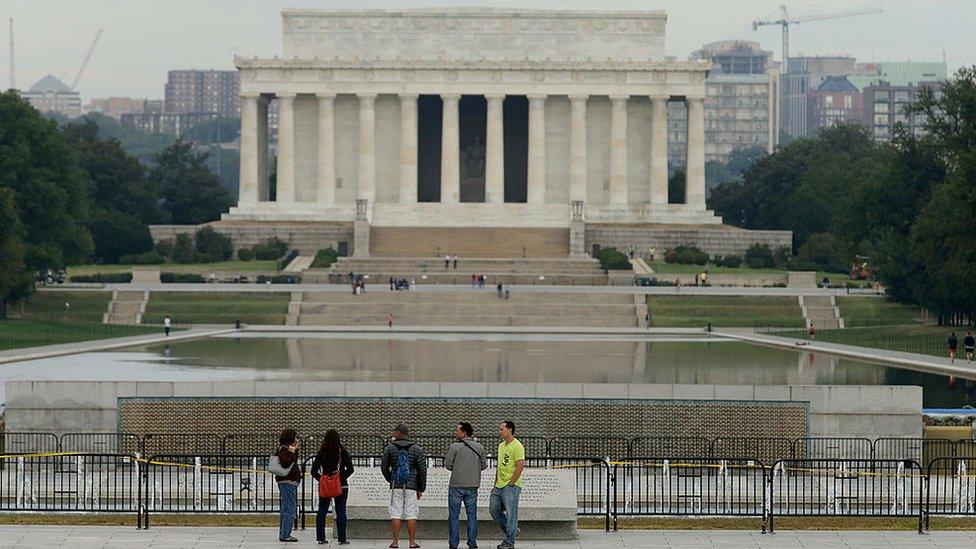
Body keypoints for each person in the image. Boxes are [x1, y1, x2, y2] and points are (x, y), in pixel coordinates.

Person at [381, 424, 427, 549]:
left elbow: (384, 467)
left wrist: (390, 479)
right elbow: (422, 469)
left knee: (395, 512)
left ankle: (395, 542)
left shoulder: (390, 448)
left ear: (400, 433)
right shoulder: (416, 448)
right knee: (411, 513)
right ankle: (412, 542)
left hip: (396, 484)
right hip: (411, 485)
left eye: (395, 432)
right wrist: (421, 488)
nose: (394, 434)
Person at [444, 422, 487, 549]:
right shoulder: (479, 447)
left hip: (456, 486)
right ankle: (472, 543)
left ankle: (453, 544)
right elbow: (483, 465)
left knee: (453, 516)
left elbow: (447, 465)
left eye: (458, 430)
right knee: (472, 515)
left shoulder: (454, 447)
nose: (456, 432)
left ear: (464, 433)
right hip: (473, 486)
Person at [311, 429, 354, 545]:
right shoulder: (342, 451)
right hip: (341, 485)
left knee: (322, 511)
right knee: (341, 511)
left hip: (325, 485)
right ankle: (342, 538)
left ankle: (320, 537)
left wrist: (323, 478)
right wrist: (340, 477)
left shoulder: (322, 452)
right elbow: (351, 469)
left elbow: (313, 471)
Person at [490, 421, 524, 549]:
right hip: (499, 485)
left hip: (511, 486)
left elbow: (520, 465)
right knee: (493, 510)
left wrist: (511, 483)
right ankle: (513, 531)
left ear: (510, 430)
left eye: (502, 429)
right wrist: (495, 483)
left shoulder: (517, 446)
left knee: (511, 514)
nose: (500, 431)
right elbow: (499, 466)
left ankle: (509, 542)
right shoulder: (501, 446)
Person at [274, 428, 302, 543]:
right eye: (295, 437)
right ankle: (285, 534)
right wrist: (292, 451)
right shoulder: (285, 449)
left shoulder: (285, 448)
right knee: (290, 508)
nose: (296, 439)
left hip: (288, 482)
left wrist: (295, 451)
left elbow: (292, 460)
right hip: (287, 481)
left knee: (286, 508)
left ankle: (283, 533)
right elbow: (286, 463)